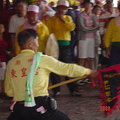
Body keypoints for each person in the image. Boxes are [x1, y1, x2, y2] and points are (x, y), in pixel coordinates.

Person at [5, 29, 96, 120]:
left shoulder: (11, 63)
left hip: (20, 111)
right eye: (37, 41)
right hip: (40, 108)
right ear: (30, 44)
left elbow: (9, 91)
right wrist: (88, 71)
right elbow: (68, 69)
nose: (38, 44)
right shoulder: (42, 59)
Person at [45, 0, 80, 96]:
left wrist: (62, 20)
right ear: (57, 8)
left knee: (67, 67)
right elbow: (48, 31)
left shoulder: (68, 18)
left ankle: (73, 89)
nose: (62, 10)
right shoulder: (51, 20)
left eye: (64, 9)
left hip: (66, 46)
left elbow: (71, 27)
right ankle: (56, 90)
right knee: (54, 67)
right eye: (61, 8)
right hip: (54, 46)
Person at [77, 1, 99, 69]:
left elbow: (97, 26)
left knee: (90, 58)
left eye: (89, 4)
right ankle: (80, 75)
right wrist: (92, 28)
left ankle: (88, 75)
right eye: (86, 4)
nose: (88, 6)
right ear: (83, 5)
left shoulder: (93, 15)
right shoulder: (80, 15)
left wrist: (88, 28)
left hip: (92, 38)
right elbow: (82, 27)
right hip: (83, 38)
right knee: (82, 58)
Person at [0, 24, 7, 98]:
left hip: (3, 59)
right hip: (1, 60)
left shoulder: (3, 38)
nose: (1, 28)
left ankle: (2, 92)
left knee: (3, 77)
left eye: (2, 27)